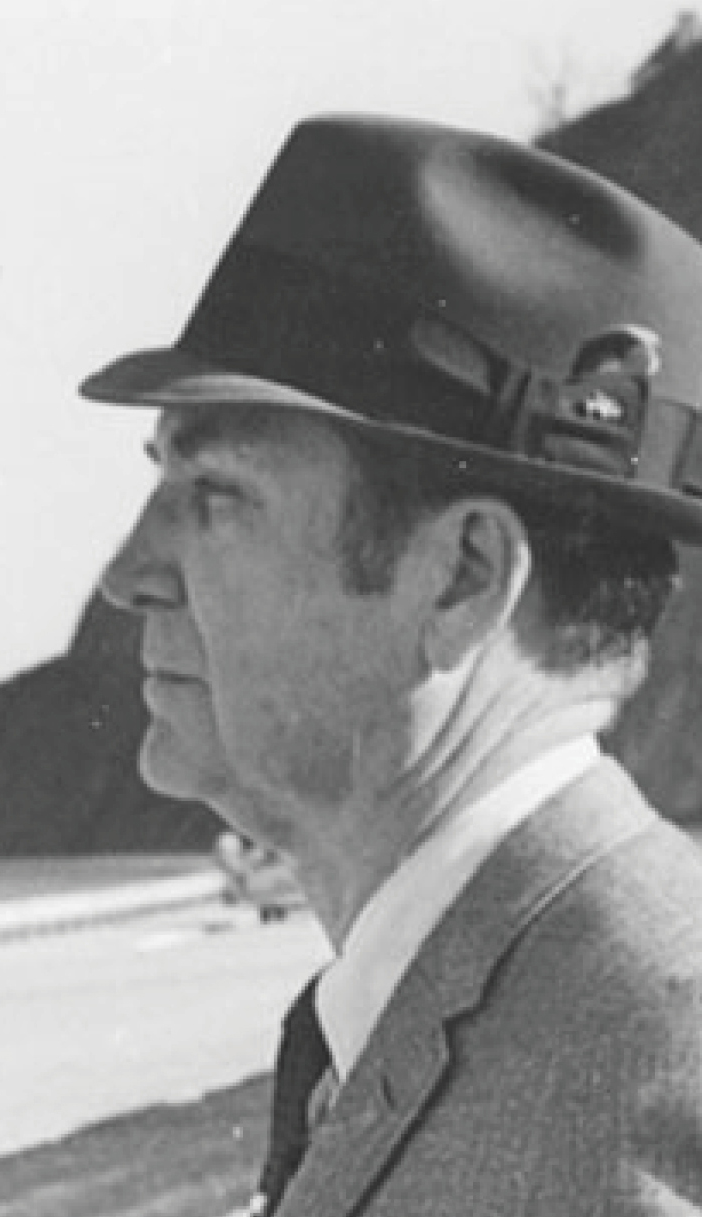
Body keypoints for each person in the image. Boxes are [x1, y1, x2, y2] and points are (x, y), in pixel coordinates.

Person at [78, 115, 702, 1215]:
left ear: (460, 579)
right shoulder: (520, 1000)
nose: (128, 573)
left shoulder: (652, 1069)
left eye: (214, 496)